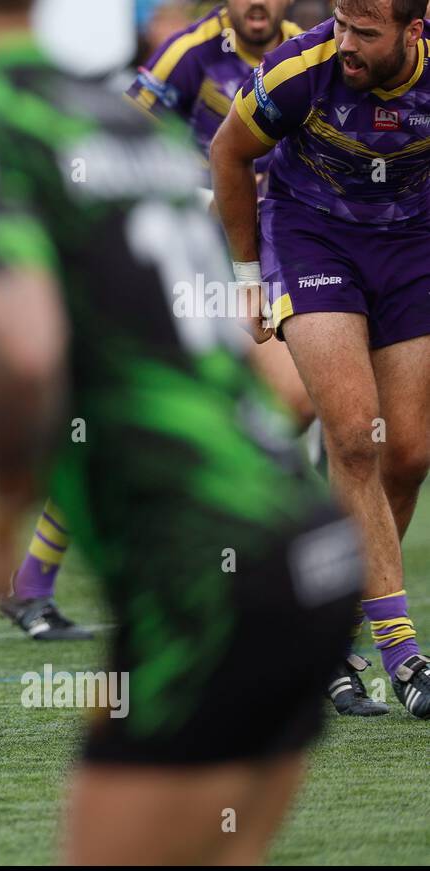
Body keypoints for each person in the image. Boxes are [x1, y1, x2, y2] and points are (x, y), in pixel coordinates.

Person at [0, 0, 361, 864]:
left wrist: (2, 503)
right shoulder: (121, 117)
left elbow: (25, 348)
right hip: (310, 544)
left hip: (207, 573)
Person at [210, 0, 430, 719]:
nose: (345, 45)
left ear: (414, 31)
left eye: (365, 33)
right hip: (311, 240)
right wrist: (247, 281)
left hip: (410, 248)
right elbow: (228, 152)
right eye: (339, 24)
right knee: (354, 433)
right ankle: (401, 651)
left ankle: (328, 621)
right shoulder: (300, 69)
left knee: (408, 452)